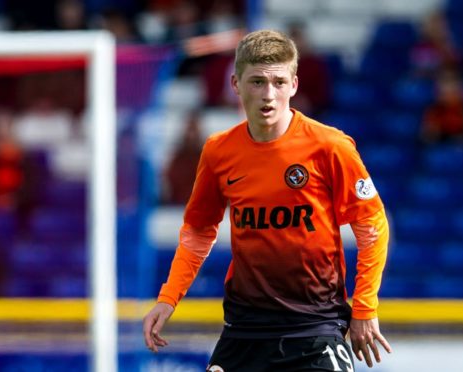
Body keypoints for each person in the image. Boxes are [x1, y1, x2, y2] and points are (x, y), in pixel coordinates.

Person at [143, 29, 392, 371]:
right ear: (235, 84)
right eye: (257, 82)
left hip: (314, 328)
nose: (268, 95)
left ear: (294, 85)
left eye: (278, 82)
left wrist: (365, 307)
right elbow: (199, 231)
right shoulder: (219, 151)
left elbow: (372, 225)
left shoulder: (330, 146)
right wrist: (169, 297)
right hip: (245, 332)